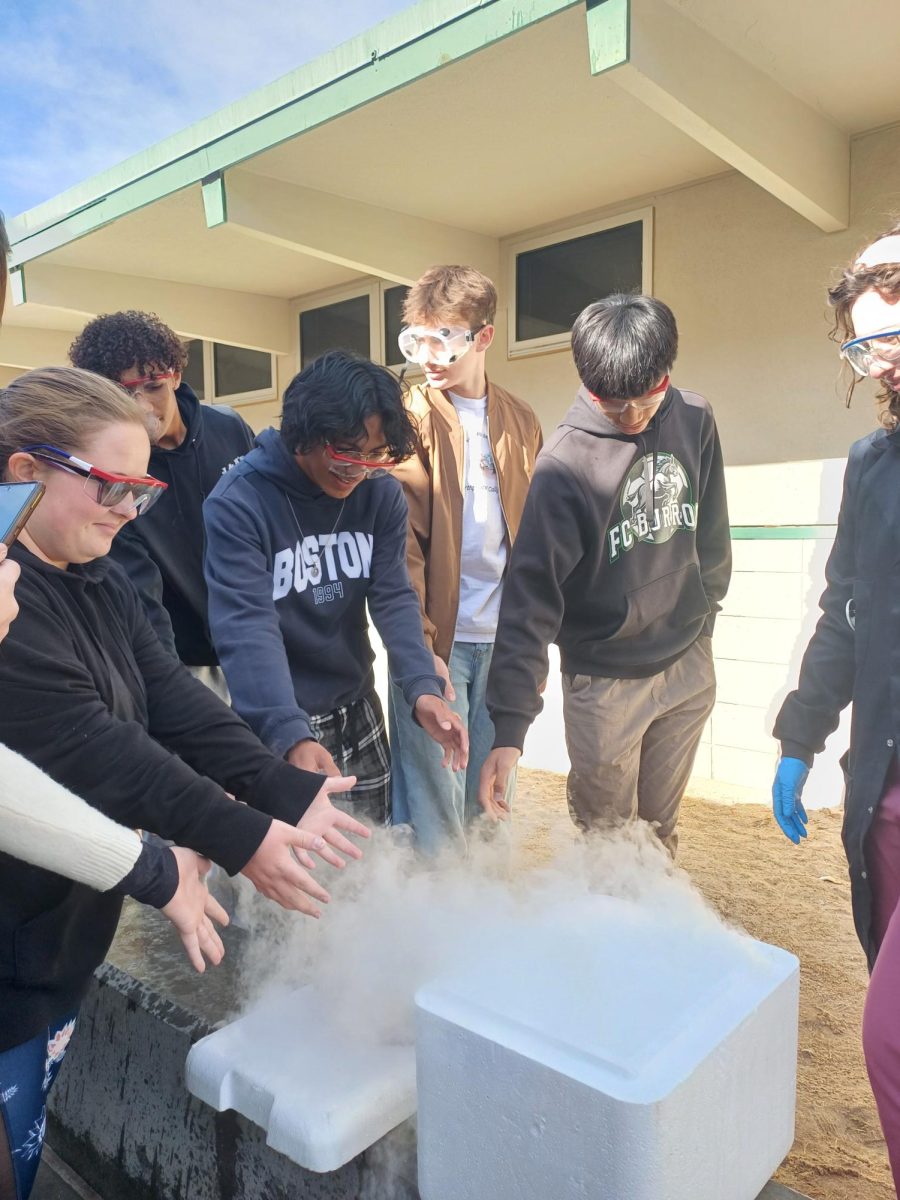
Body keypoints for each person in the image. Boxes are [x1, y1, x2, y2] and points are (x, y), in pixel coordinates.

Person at [0, 366, 368, 1200]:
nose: (129, 513)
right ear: (26, 471)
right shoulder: (10, 606)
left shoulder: (98, 578)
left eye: (143, 493)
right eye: (112, 488)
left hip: (60, 929)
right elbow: (92, 751)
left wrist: (282, 788)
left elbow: (172, 703)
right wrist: (237, 838)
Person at [478, 294, 731, 854]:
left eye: (649, 398)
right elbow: (529, 602)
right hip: (606, 682)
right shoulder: (564, 466)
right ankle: (609, 935)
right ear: (589, 385)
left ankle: (657, 935)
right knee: (608, 843)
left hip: (686, 660)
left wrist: (705, 618)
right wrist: (511, 727)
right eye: (616, 407)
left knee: (659, 834)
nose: (636, 416)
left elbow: (712, 529)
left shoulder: (694, 416)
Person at [204, 350, 468, 827]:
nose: (357, 468)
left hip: (355, 701)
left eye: (374, 454)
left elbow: (393, 594)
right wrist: (289, 734)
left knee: (370, 855)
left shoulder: (379, 492)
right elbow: (247, 627)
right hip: (277, 711)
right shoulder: (239, 501)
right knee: (294, 865)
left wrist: (422, 688)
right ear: (303, 432)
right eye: (345, 450)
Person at [771, 224, 900, 1197]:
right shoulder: (872, 466)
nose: (882, 359)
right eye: (865, 344)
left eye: (894, 332)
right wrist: (799, 737)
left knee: (888, 1042)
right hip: (886, 795)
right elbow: (845, 613)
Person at [389, 265, 543, 855]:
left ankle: (484, 924)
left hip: (502, 640)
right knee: (432, 801)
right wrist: (419, 646)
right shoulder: (407, 417)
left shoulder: (520, 419)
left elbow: (531, 542)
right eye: (415, 339)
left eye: (442, 339)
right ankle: (436, 934)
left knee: (489, 794)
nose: (427, 355)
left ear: (483, 337)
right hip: (437, 645)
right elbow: (401, 545)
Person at [69, 310, 255, 696]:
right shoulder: (113, 472)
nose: (140, 405)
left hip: (260, 646)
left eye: (152, 385)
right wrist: (172, 689)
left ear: (176, 376)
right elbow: (140, 592)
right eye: (121, 393)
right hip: (189, 666)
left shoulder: (229, 427)